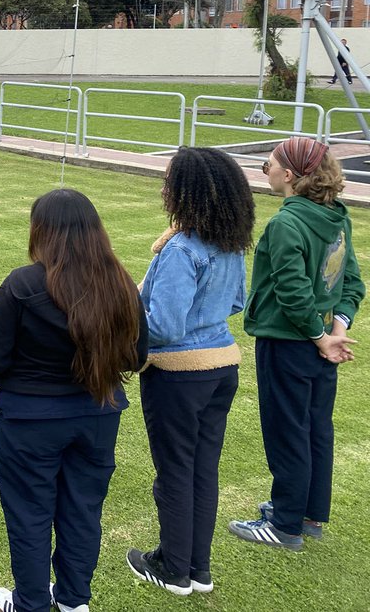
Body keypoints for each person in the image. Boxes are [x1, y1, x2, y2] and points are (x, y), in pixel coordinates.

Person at [0, 189, 148, 612]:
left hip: (34, 421)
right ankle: (70, 601)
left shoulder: (26, 283)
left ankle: (37, 602)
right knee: (82, 510)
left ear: (42, 231)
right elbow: (136, 355)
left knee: (30, 513)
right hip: (95, 417)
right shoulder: (119, 283)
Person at [126, 147, 254, 596]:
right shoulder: (229, 242)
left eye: (169, 182)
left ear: (189, 190)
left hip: (179, 375)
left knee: (176, 472)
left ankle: (174, 567)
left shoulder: (181, 249)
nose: (164, 189)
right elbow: (236, 302)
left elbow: (163, 326)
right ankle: (198, 567)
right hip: (221, 368)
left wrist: (125, 325)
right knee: (203, 470)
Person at [229, 137, 363, 551]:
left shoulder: (286, 224)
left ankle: (285, 525)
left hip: (289, 343)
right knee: (316, 428)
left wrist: (323, 338)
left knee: (288, 430)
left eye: (267, 164)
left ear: (288, 175)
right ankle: (308, 514)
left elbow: (293, 292)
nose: (264, 171)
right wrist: (334, 331)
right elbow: (351, 282)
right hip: (320, 343)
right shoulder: (337, 217)